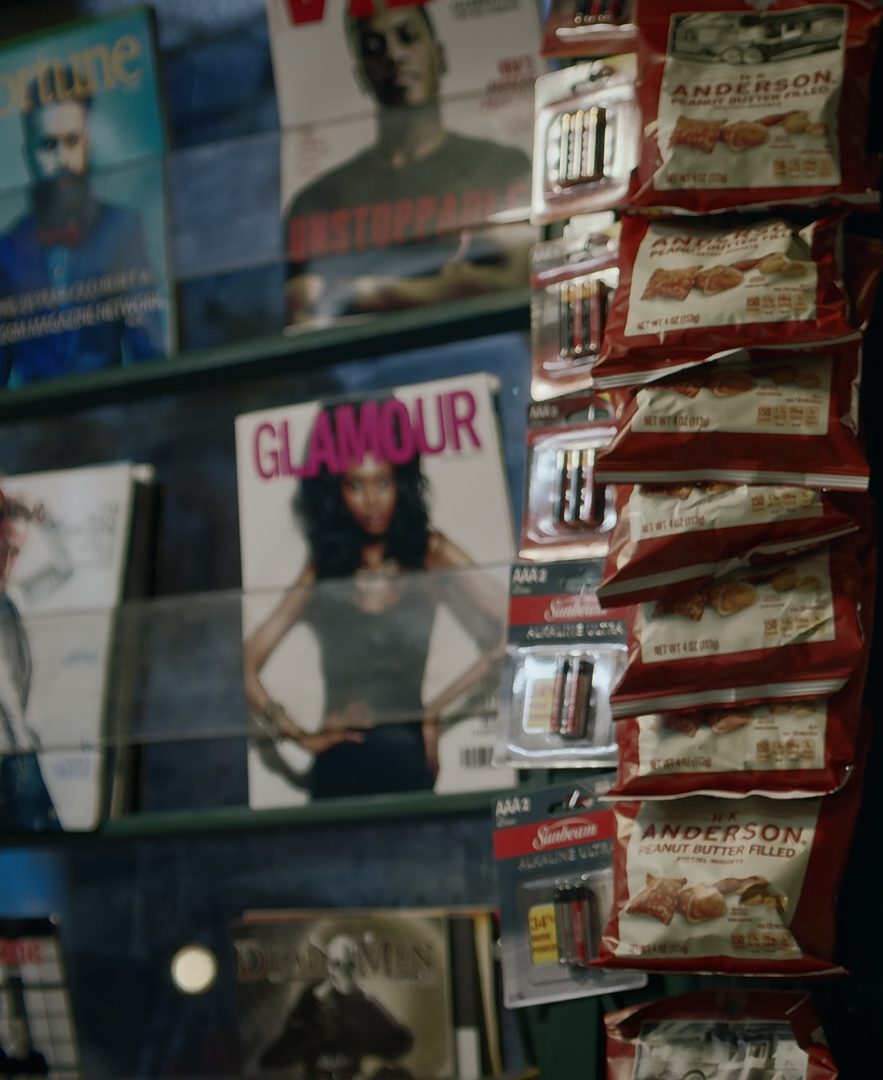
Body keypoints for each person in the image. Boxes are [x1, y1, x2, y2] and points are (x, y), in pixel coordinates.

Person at [242, 403, 505, 800]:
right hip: (337, 772)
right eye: (355, 485)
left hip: (409, 762)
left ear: (401, 482)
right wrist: (301, 735)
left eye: (383, 482)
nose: (371, 500)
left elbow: (515, 619)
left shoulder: (428, 552)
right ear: (336, 492)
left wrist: (436, 710)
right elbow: (247, 664)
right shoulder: (324, 570)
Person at [282, 0, 533, 326]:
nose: (394, 55)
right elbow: (305, 315)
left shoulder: (502, 166)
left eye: (407, 37)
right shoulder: (316, 201)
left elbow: (519, 280)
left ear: (439, 56)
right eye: (374, 47)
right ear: (361, 75)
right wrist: (453, 286)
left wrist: (375, 292)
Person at [0, 66, 164, 384]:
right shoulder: (6, 252)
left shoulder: (121, 228)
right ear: (28, 155)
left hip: (112, 409)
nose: (63, 159)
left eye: (71, 141)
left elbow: (149, 348)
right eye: (48, 145)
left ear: (86, 144)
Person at [258, 934, 413, 1080]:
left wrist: (362, 1038)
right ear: (330, 966)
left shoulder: (360, 1002)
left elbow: (400, 1043)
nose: (343, 972)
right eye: (338, 964)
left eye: (349, 965)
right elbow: (272, 1058)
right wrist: (311, 1033)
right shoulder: (313, 999)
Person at [0, 491, 55, 833]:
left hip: (18, 753)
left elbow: (61, 568)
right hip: (15, 755)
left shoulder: (14, 597)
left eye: (14, 552)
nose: (8, 561)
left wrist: (45, 521)